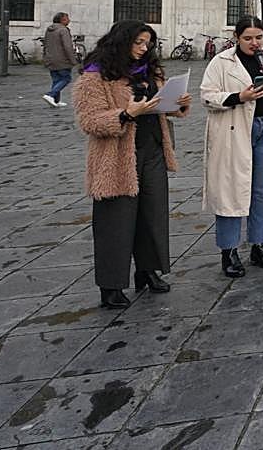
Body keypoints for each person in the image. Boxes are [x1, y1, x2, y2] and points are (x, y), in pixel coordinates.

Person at [74, 20, 191, 309]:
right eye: (138, 42)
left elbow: (161, 103)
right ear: (121, 41)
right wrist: (126, 113)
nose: (143, 48)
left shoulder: (150, 69)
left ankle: (147, 271)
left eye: (147, 43)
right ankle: (111, 285)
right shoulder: (95, 75)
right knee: (116, 220)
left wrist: (178, 103)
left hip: (152, 149)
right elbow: (89, 120)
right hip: (117, 156)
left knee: (153, 213)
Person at [202, 15, 263, 278]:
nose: (254, 43)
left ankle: (259, 243)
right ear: (237, 38)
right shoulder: (221, 62)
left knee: (262, 188)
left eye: (258, 38)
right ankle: (229, 250)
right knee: (232, 188)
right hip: (236, 130)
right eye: (248, 38)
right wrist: (239, 96)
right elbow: (207, 96)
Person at [42, 11, 79, 107]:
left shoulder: (49, 30)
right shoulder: (63, 30)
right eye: (67, 18)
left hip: (50, 58)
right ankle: (50, 94)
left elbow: (45, 44)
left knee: (56, 79)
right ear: (62, 20)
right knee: (66, 78)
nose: (69, 20)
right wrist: (73, 60)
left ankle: (55, 100)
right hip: (62, 60)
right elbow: (68, 46)